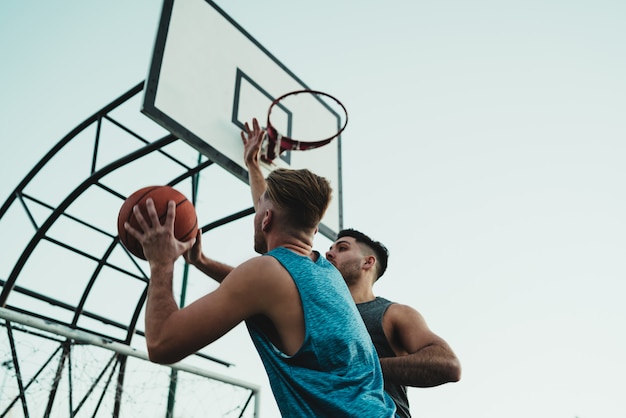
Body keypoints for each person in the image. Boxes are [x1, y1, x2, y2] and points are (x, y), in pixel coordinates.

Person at [124, 118, 397, 417]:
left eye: (260, 212)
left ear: (266, 220)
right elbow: (267, 212)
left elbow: (162, 344)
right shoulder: (325, 272)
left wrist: (161, 263)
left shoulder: (264, 274)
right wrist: (252, 165)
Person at [325, 229, 462, 417]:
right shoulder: (322, 315)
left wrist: (364, 367)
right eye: (331, 248)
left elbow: (448, 365)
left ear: (368, 262)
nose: (329, 253)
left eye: (342, 248)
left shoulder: (392, 313)